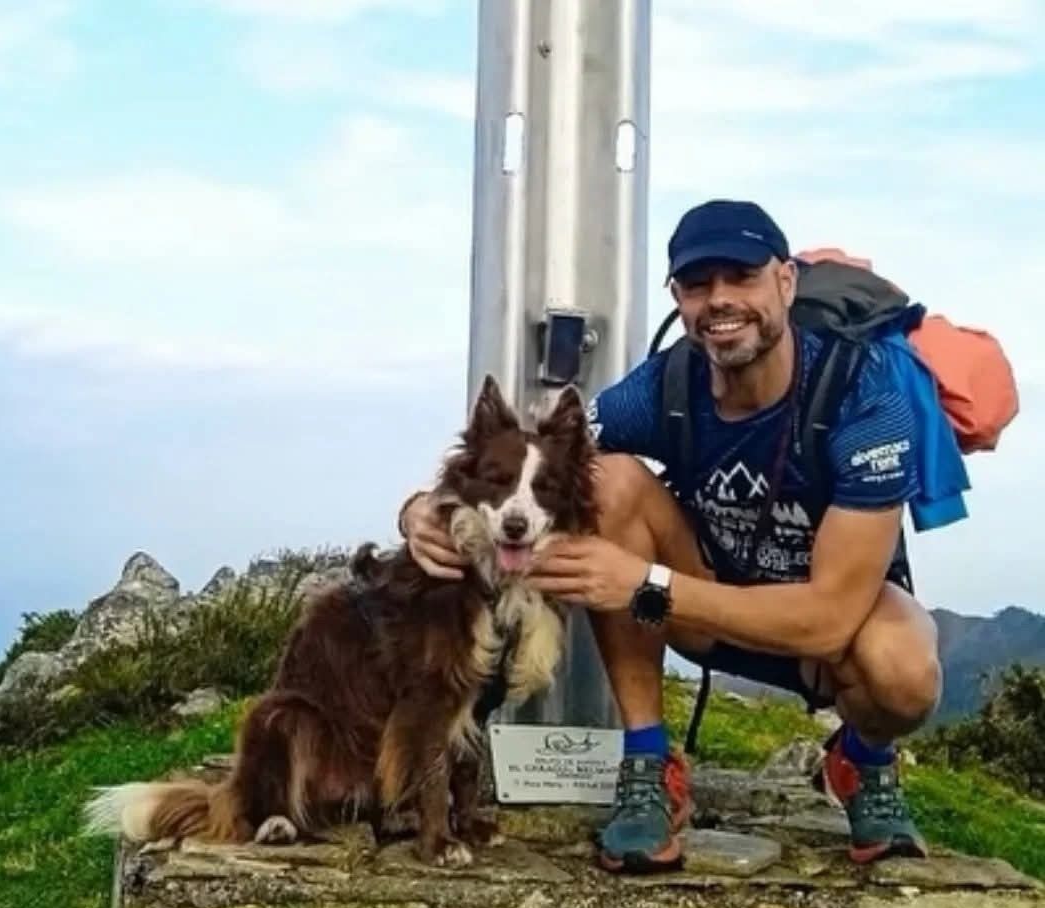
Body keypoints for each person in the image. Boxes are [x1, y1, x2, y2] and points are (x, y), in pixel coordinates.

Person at [398, 198, 941, 873]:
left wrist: (644, 583)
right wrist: (421, 510)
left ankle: (862, 760)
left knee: (905, 672)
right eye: (697, 284)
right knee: (606, 479)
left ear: (786, 282)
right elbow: (544, 458)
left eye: (742, 276)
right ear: (678, 299)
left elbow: (829, 620)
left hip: (823, 634)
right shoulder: (665, 387)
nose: (720, 299)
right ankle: (647, 764)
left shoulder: (865, 397)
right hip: (699, 603)